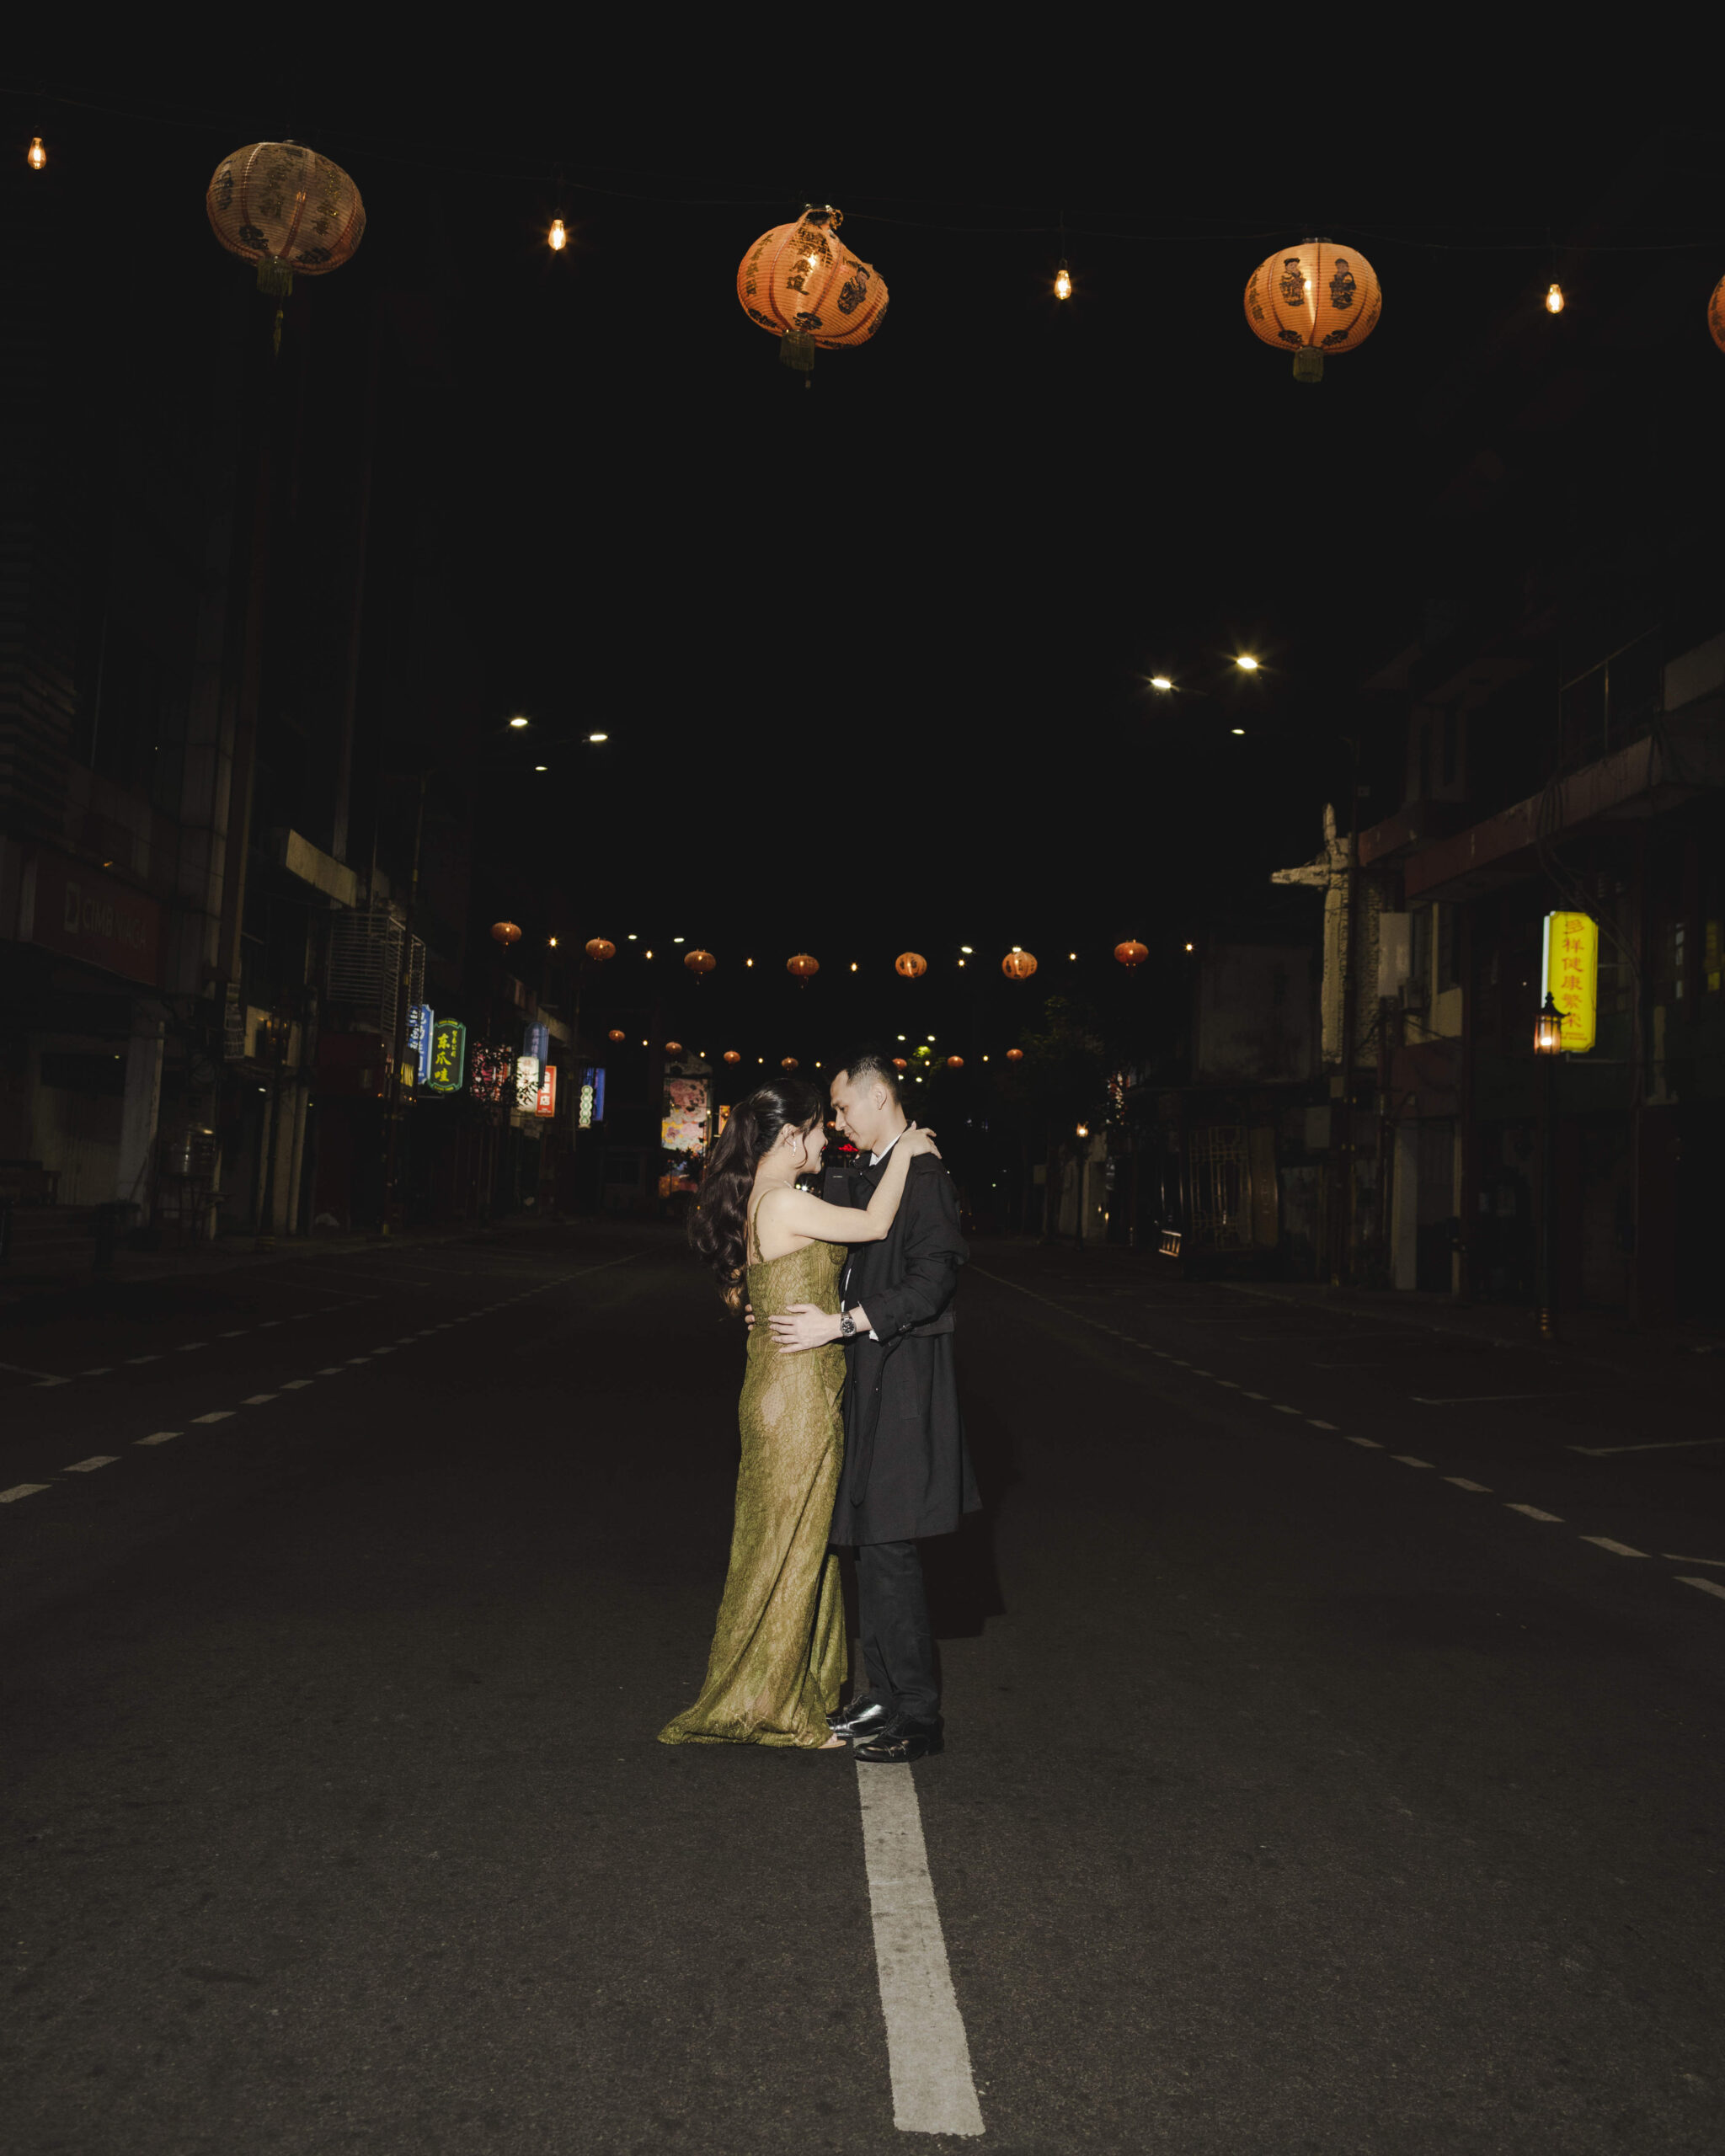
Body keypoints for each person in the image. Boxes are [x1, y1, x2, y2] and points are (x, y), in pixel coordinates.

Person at [660, 1077, 941, 1751]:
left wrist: (759, 1307)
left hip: (782, 1387)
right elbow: (874, 1225)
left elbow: (754, 1285)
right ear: (790, 1137)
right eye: (818, 1128)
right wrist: (908, 1150)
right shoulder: (785, 1198)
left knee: (784, 1546)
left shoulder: (766, 1196)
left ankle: (782, 1692)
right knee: (788, 1552)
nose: (827, 1138)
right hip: (796, 1397)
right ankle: (779, 1711)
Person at [767, 1052, 979, 1764]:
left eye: (843, 1106)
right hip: (868, 1382)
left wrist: (842, 1323)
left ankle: (918, 1716)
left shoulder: (925, 1175)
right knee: (868, 1544)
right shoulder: (881, 1170)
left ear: (879, 1097)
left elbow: (932, 1283)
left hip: (904, 1385)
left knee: (892, 1550)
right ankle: (884, 1694)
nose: (837, 1121)